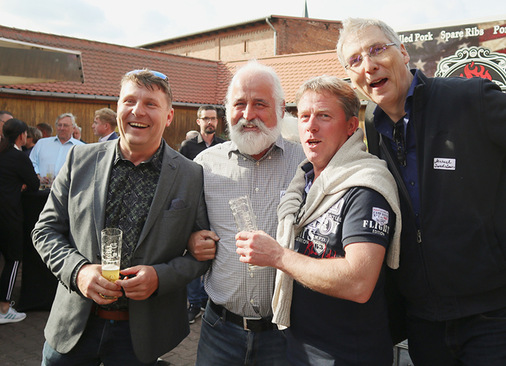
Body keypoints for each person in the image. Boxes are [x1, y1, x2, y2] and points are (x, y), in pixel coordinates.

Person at [337, 17, 506, 365]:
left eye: (376, 49)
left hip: (492, 315)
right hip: (425, 322)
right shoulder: (373, 125)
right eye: (355, 60)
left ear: (402, 52)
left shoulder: (469, 98)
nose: (368, 65)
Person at [32, 69, 210, 365]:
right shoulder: (80, 160)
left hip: (140, 337)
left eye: (151, 104)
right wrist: (79, 272)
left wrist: (160, 277)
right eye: (129, 101)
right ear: (117, 108)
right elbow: (45, 230)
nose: (137, 111)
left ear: (169, 116)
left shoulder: (192, 175)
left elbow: (204, 253)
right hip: (74, 325)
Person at [234, 76, 401, 365]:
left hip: (349, 354)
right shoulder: (304, 182)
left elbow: (358, 283)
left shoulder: (364, 188)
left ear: (351, 126)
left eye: (324, 116)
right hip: (299, 347)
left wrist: (277, 255)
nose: (311, 126)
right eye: (305, 116)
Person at [189, 61, 306, 365]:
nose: (248, 115)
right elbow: (185, 226)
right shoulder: (204, 165)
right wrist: (190, 240)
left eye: (259, 104)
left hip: (286, 335)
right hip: (220, 331)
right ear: (227, 109)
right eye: (239, 104)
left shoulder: (306, 163)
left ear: (281, 108)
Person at [179, 105, 226, 323]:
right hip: (194, 209)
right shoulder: (188, 147)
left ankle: (209, 301)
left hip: (216, 207)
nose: (210, 122)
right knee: (194, 256)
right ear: (198, 121)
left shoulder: (224, 146)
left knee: (214, 254)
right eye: (205, 118)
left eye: (213, 118)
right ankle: (194, 303)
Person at [0, 119, 39, 324]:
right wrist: (22, 185)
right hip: (9, 215)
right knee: (14, 259)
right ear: (22, 135)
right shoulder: (18, 157)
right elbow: (34, 184)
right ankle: (4, 308)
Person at [29, 113, 85, 181]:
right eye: (59, 125)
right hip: (42, 187)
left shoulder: (81, 147)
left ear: (73, 128)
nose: (62, 128)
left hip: (67, 189)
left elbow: (84, 170)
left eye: (65, 125)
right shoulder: (42, 143)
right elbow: (31, 162)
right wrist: (38, 176)